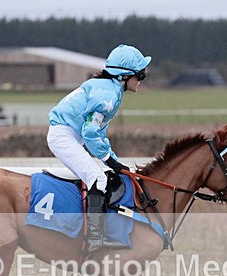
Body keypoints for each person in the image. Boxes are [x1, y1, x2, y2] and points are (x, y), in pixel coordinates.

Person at [47, 44, 151, 252]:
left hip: (70, 136)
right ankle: (95, 239)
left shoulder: (110, 89)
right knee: (98, 179)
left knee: (101, 176)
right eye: (140, 75)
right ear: (124, 76)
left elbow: (100, 134)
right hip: (64, 137)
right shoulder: (107, 94)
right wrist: (108, 160)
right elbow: (90, 132)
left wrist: (114, 161)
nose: (141, 80)